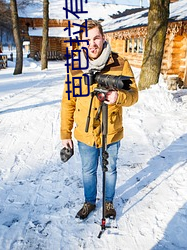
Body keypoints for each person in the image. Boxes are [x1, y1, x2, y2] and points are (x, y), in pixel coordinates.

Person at [60, 20, 138, 220]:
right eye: (87, 40)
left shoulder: (120, 64)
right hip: (85, 133)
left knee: (110, 169)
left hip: (111, 130)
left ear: (103, 38)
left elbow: (134, 95)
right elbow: (68, 102)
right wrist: (65, 134)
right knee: (88, 170)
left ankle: (109, 202)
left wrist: (118, 97)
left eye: (96, 38)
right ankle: (89, 202)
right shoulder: (76, 67)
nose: (92, 44)